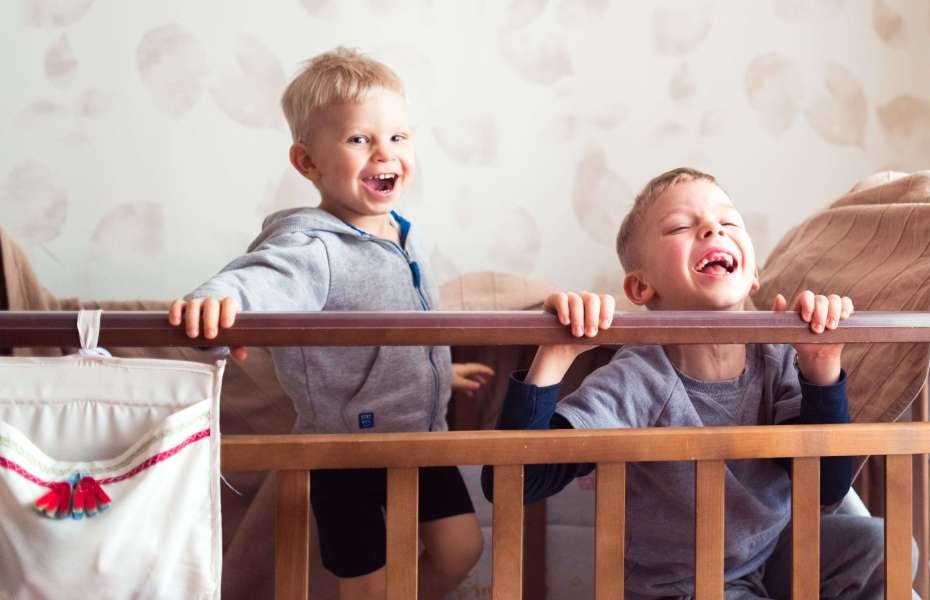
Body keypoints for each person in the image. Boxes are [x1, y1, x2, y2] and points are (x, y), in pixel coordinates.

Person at [484, 167, 891, 599]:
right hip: (683, 586)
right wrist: (555, 353)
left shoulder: (776, 358)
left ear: (753, 273)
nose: (712, 228)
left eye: (729, 222)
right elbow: (513, 484)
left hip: (770, 556)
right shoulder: (639, 378)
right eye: (681, 226)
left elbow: (827, 487)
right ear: (641, 287)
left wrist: (821, 368)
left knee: (878, 546)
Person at [168, 47, 482, 600]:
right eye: (360, 139)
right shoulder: (310, 245)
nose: (384, 152)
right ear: (307, 163)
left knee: (462, 549)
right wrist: (217, 299)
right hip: (345, 451)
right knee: (366, 582)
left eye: (398, 137)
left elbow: (399, 329)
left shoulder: (404, 233)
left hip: (420, 437)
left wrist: (436, 371)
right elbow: (260, 279)